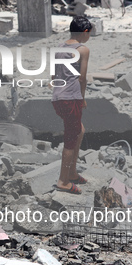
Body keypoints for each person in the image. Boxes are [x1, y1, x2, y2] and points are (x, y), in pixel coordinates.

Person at [52, 16, 92, 194]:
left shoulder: (58, 48)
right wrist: (81, 97)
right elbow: (82, 78)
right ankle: (63, 180)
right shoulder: (82, 50)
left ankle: (73, 172)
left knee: (79, 130)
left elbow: (54, 76)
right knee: (71, 137)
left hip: (57, 98)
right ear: (85, 32)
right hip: (71, 98)